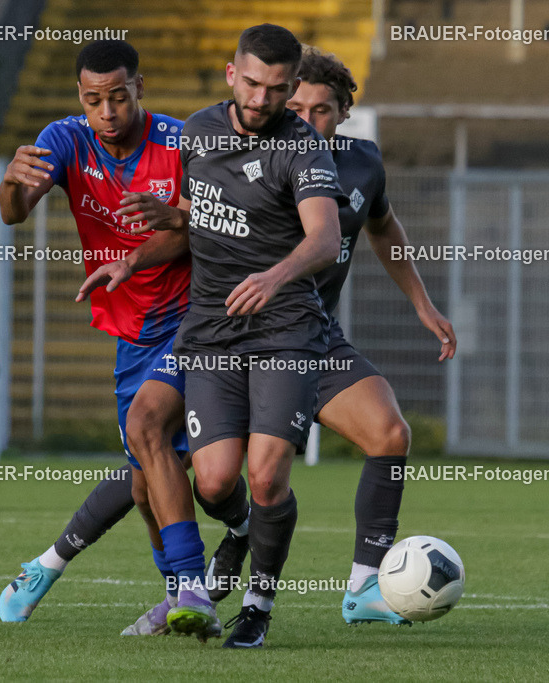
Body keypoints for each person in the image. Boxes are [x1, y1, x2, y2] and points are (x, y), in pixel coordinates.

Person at [199, 45, 457, 626]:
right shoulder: (246, 156)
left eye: (324, 109)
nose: (309, 117)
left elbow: (384, 227)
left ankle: (364, 587)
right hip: (235, 341)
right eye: (298, 105)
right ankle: (235, 535)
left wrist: (423, 303)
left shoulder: (362, 162)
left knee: (389, 433)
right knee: (214, 482)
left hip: (312, 338)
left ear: (344, 114)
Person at [0, 40, 217, 639]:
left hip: (196, 319)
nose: (108, 110)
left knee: (154, 437)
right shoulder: (65, 139)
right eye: (94, 99)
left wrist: (133, 258)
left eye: (118, 95)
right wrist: (11, 183)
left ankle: (197, 580)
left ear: (139, 87)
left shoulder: (180, 143)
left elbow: (204, 231)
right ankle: (180, 592)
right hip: (131, 332)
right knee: (146, 479)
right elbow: (14, 213)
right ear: (80, 99)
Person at [169, 24, 347, 648]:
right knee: (214, 483)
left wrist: (276, 275)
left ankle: (258, 605)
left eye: (276, 88)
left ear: (292, 87)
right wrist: (132, 259)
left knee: (268, 475)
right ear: (230, 74)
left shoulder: (304, 149)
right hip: (212, 328)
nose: (261, 98)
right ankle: (242, 530)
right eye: (251, 83)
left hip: (286, 328)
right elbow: (193, 214)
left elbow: (325, 238)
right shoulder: (195, 132)